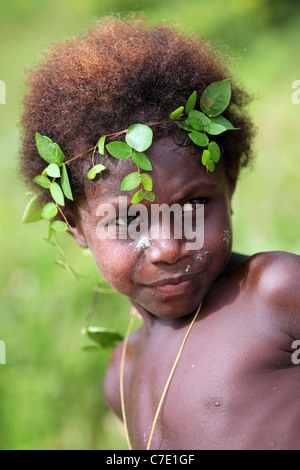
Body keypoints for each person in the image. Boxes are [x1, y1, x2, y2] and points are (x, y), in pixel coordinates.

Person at [20, 16, 300, 450]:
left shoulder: (277, 293)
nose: (169, 247)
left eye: (192, 206)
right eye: (128, 221)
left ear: (230, 186)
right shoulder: (120, 376)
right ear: (72, 226)